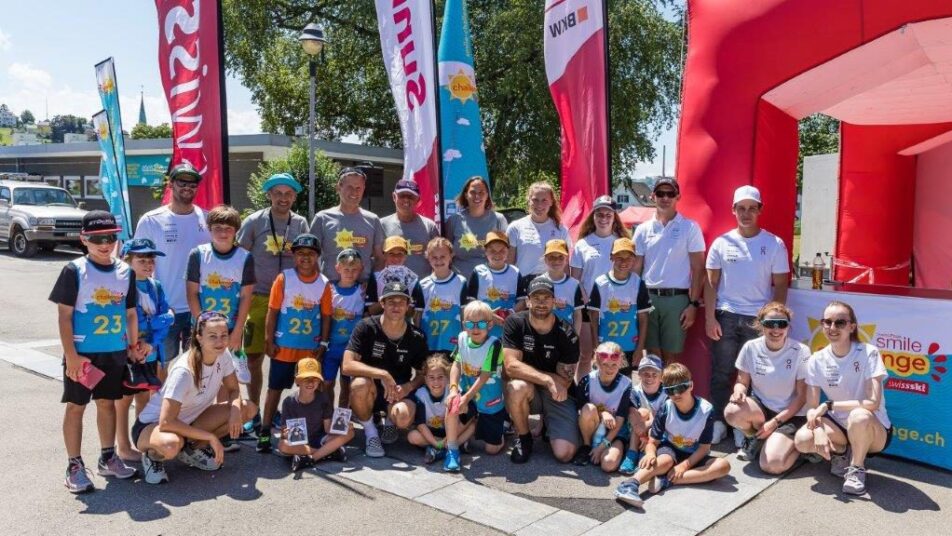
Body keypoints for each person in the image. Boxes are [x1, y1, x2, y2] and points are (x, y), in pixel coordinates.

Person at [50, 211, 145, 493]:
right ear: (84, 239)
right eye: (97, 239)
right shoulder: (74, 270)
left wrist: (132, 345)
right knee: (76, 406)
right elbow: (64, 316)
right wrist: (71, 355)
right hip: (83, 355)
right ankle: (74, 464)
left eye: (110, 237)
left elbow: (130, 313)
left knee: (107, 403)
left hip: (114, 352)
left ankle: (108, 457)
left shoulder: (126, 271)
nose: (105, 244)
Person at [705, 185, 790, 444]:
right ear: (733, 210)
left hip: (758, 320)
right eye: (741, 208)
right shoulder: (721, 243)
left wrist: (773, 322)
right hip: (726, 316)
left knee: (753, 376)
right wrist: (710, 318)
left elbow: (781, 285)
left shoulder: (774, 244)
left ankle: (744, 427)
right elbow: (711, 283)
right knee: (721, 372)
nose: (746, 213)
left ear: (760, 210)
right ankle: (719, 421)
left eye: (752, 208)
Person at [133, 311, 258, 485]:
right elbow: (167, 422)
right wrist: (210, 437)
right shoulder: (183, 371)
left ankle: (191, 450)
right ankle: (152, 456)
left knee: (248, 408)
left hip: (189, 421)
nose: (220, 341)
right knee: (171, 445)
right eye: (212, 336)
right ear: (199, 338)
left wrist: (236, 411)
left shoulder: (223, 355)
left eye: (224, 335)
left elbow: (233, 389)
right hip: (152, 426)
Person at [237, 172, 310, 434]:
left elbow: (308, 257)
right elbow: (240, 258)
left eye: (288, 193)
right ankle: (254, 411)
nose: (283, 198)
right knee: (254, 357)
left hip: (290, 300)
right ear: (269, 194)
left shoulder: (300, 223)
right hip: (258, 297)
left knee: (289, 357)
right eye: (277, 193)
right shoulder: (254, 221)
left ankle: (279, 410)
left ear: (294, 197)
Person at [795, 301, 892, 495]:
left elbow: (872, 403)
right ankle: (841, 453)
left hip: (874, 428)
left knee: (858, 415)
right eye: (827, 322)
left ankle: (857, 468)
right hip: (839, 426)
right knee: (802, 440)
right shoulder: (816, 359)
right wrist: (819, 430)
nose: (832, 327)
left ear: (852, 327)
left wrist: (830, 405)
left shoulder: (868, 352)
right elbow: (812, 407)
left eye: (840, 322)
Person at [614, 362, 731, 508]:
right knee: (664, 461)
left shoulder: (706, 410)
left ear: (691, 385)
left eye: (681, 388)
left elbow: (704, 448)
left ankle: (665, 480)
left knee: (723, 466)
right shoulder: (666, 408)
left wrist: (684, 465)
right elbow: (653, 442)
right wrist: (650, 453)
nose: (676, 394)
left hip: (694, 453)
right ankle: (630, 484)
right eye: (670, 390)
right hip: (670, 449)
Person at [258, 234, 332, 453]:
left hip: (309, 350)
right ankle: (265, 430)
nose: (305, 257)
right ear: (293, 256)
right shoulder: (284, 278)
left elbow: (326, 316)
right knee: (274, 389)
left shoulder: (324, 283)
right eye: (300, 253)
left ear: (317, 256)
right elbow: (273, 311)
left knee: (313, 390)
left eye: (310, 253)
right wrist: (269, 339)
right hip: (284, 347)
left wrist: (324, 343)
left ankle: (316, 432)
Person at [133, 162, 211, 361]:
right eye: (181, 182)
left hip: (199, 308)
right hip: (163, 308)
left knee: (197, 366)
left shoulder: (208, 219)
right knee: (162, 365)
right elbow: (136, 264)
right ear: (171, 184)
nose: (187, 187)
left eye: (192, 184)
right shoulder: (151, 220)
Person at [342, 282, 429, 457]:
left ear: (408, 305)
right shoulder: (366, 327)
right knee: (359, 385)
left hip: (398, 392)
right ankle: (371, 432)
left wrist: (408, 387)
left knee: (403, 417)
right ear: (382, 303)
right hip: (370, 389)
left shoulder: (416, 336)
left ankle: (390, 420)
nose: (396, 306)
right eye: (391, 302)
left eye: (401, 302)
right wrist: (383, 374)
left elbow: (423, 373)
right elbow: (347, 365)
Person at [726, 302, 810, 473]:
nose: (776, 329)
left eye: (782, 324)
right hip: (762, 409)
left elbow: (802, 397)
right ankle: (754, 438)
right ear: (761, 325)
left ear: (788, 326)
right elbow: (741, 381)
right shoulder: (750, 347)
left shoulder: (801, 351)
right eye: (770, 324)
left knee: (771, 465)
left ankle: (802, 449)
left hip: (791, 414)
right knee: (732, 411)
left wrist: (775, 423)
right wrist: (739, 392)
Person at [503, 277, 580, 464]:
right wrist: (547, 378)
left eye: (546, 298)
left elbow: (564, 381)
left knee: (565, 454)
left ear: (554, 301)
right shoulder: (515, 322)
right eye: (536, 298)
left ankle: (548, 423)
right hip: (531, 387)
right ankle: (524, 438)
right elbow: (510, 366)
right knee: (515, 387)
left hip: (556, 393)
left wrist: (549, 381)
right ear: (528, 301)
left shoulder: (567, 333)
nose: (541, 303)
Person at [632, 178, 705, 363]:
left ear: (678, 197)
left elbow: (698, 269)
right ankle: (656, 384)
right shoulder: (642, 229)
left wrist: (693, 305)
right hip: (648, 297)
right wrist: (633, 300)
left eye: (670, 194)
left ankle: (669, 384)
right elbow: (636, 268)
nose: (665, 198)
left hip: (677, 300)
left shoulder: (690, 227)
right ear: (653, 196)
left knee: (670, 356)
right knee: (651, 354)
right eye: (660, 193)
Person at [115, 239, 172, 462]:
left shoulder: (155, 286)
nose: (148, 265)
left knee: (144, 398)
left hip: (149, 351)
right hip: (128, 351)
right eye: (141, 260)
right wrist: (156, 322)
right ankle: (122, 446)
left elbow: (167, 317)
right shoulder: (121, 287)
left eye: (151, 260)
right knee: (123, 401)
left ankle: (141, 440)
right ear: (127, 261)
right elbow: (130, 320)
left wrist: (151, 342)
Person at [570, 196, 631, 377]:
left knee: (614, 354)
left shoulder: (622, 242)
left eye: (608, 215)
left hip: (614, 307)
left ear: (614, 217)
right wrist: (586, 298)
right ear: (593, 216)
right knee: (586, 355)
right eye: (599, 214)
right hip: (588, 307)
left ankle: (615, 390)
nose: (603, 219)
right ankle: (584, 390)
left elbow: (629, 274)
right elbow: (575, 278)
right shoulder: (582, 244)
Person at [444, 301, 508, 472]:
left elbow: (484, 376)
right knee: (452, 404)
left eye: (481, 324)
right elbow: (457, 364)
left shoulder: (494, 344)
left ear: (490, 324)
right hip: (468, 392)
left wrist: (466, 398)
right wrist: (453, 389)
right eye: (470, 324)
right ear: (464, 324)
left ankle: (498, 430)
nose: (475, 328)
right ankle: (452, 450)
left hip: (489, 398)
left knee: (492, 449)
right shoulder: (462, 338)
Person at [186, 205, 255, 352]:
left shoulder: (245, 257)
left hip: (231, 328)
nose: (223, 233)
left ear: (236, 230)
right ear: (209, 228)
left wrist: (237, 331)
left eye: (228, 228)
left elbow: (246, 297)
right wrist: (201, 326)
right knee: (201, 365)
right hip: (204, 327)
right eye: (217, 228)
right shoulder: (197, 254)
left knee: (230, 366)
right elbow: (192, 293)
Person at [277, 357, 353, 472]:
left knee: (350, 432)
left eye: (315, 379)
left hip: (320, 439)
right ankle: (328, 453)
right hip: (300, 442)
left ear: (319, 381)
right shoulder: (289, 402)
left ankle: (311, 459)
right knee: (283, 445)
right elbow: (284, 432)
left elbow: (327, 429)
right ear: (297, 381)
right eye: (306, 378)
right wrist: (286, 434)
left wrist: (343, 427)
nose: (311, 382)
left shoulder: (323, 398)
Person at [588, 238, 653, 373]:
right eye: (619, 257)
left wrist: (639, 348)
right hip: (606, 346)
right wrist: (596, 347)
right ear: (611, 257)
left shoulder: (638, 283)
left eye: (628, 258)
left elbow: (643, 318)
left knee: (625, 380)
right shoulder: (600, 283)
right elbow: (593, 317)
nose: (624, 262)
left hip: (629, 346)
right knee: (605, 378)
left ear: (634, 259)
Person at [311, 166, 386, 282]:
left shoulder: (373, 220)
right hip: (330, 288)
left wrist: (372, 284)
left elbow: (380, 258)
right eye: (349, 187)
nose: (354, 192)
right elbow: (311, 256)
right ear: (338, 188)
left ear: (363, 189)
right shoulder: (322, 218)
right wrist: (320, 283)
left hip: (363, 289)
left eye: (358, 188)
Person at [408, 355, 476, 470]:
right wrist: (436, 443)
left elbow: (470, 415)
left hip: (453, 432)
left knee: (473, 426)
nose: (436, 381)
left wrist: (447, 439)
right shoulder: (421, 394)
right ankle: (447, 448)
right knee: (412, 436)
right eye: (431, 377)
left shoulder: (453, 391)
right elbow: (420, 424)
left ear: (448, 377)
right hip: (431, 434)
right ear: (425, 379)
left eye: (440, 377)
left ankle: (441, 450)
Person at [574, 342, 633, 473]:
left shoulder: (626, 385)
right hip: (593, 427)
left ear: (620, 362)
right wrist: (603, 413)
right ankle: (586, 446)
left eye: (614, 365)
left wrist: (602, 446)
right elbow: (581, 409)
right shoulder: (587, 381)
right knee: (588, 408)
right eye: (605, 364)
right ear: (597, 362)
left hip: (615, 431)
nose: (609, 369)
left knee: (608, 465)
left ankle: (612, 449)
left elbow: (620, 420)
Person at [324, 249, 366, 407]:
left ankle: (343, 414)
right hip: (331, 346)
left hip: (350, 347)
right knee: (327, 383)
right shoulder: (329, 289)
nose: (350, 273)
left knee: (347, 384)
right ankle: (328, 413)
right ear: (338, 268)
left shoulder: (362, 290)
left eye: (354, 269)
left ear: (360, 269)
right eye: (346, 269)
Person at [466, 231, 525, 341]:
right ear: (485, 252)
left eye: (502, 250)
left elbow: (522, 301)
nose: (497, 254)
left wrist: (510, 313)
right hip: (484, 329)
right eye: (492, 251)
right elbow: (471, 301)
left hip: (508, 329)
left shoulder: (515, 272)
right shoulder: (478, 271)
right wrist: (488, 314)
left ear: (508, 252)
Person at [444, 176, 508, 276]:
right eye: (473, 192)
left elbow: (506, 252)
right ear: (466, 195)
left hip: (491, 280)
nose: (477, 196)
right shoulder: (454, 220)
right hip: (460, 281)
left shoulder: (499, 219)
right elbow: (446, 253)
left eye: (481, 192)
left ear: (487, 195)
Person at [506, 182, 571, 276]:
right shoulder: (515, 227)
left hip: (552, 282)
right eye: (535, 200)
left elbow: (565, 265)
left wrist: (567, 283)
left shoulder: (561, 230)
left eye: (544, 200)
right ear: (529, 200)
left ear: (551, 202)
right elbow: (509, 263)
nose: (539, 205)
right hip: (523, 282)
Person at [380, 179, 440, 279]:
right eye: (402, 195)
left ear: (418, 200)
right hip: (391, 286)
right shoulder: (382, 225)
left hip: (422, 286)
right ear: (394, 197)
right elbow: (377, 259)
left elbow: (438, 259)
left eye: (411, 197)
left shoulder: (429, 226)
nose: (406, 200)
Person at [418, 238, 468, 355]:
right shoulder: (422, 284)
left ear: (451, 256)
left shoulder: (461, 282)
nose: (438, 260)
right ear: (428, 257)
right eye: (434, 257)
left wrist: (466, 339)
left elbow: (464, 314)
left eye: (442, 256)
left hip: (453, 342)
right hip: (430, 343)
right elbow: (418, 316)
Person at [619, 354, 668, 475]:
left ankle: (645, 452)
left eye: (654, 374)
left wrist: (647, 426)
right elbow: (632, 415)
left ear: (661, 376)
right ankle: (632, 452)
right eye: (646, 374)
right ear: (639, 374)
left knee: (651, 426)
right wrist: (642, 434)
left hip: (658, 430)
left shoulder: (666, 393)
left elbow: (665, 417)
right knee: (641, 412)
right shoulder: (634, 391)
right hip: (636, 429)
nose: (650, 377)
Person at [364, 236, 425, 316]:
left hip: (403, 322)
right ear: (384, 255)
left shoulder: (413, 280)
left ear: (405, 256)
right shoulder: (376, 278)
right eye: (391, 253)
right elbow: (370, 311)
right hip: (381, 321)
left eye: (400, 254)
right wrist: (388, 297)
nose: (396, 258)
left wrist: (401, 298)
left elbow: (415, 313)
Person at [534, 239, 584, 336]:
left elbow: (577, 314)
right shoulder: (537, 282)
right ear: (545, 259)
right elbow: (532, 312)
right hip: (542, 336)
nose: (556, 261)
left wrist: (575, 337)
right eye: (551, 257)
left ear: (567, 259)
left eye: (561, 257)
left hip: (565, 337)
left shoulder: (574, 284)